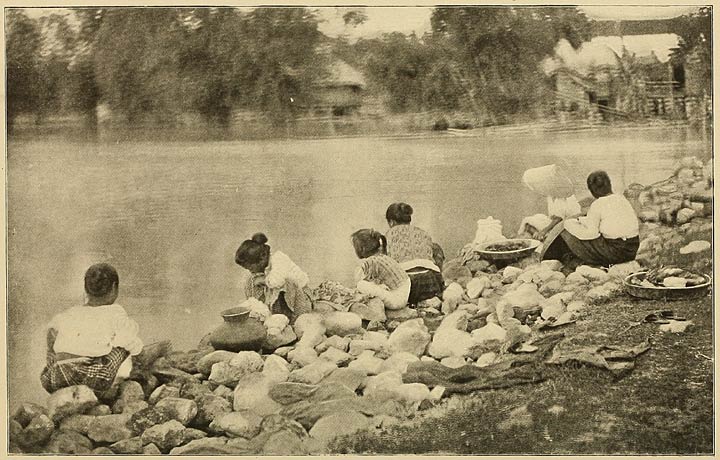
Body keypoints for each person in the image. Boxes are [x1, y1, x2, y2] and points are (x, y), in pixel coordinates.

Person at [40, 263, 144, 394]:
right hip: (92, 378)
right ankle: (104, 390)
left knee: (56, 336)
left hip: (53, 378)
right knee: (123, 345)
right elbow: (129, 341)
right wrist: (138, 351)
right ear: (114, 288)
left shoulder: (71, 312)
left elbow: (51, 330)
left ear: (86, 289)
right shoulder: (115, 312)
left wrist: (53, 353)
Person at [543, 171, 640, 267]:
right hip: (632, 249)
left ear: (592, 191)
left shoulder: (598, 204)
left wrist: (571, 224)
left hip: (616, 252)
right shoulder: (622, 199)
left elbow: (591, 233)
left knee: (566, 230)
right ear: (609, 185)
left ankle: (555, 258)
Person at [235, 233, 312, 323]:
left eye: (251, 268)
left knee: (286, 282)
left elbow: (277, 281)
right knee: (251, 280)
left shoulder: (279, 258)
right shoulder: (265, 266)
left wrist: (262, 280)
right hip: (284, 298)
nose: (251, 271)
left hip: (301, 299)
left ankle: (288, 318)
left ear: (263, 257)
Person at [384, 202, 445, 305]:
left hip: (408, 286)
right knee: (435, 247)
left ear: (391, 222)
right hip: (432, 281)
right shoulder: (423, 232)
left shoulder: (388, 236)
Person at [518, 164, 582, 241]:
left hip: (567, 226)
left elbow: (558, 219)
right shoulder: (551, 195)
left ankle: (541, 236)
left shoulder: (563, 195)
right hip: (557, 223)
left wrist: (544, 231)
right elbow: (554, 217)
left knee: (536, 225)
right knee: (529, 221)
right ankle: (537, 235)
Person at [351, 228, 411, 311]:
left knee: (361, 285)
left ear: (362, 249)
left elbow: (360, 280)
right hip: (403, 294)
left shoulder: (371, 261)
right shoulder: (382, 256)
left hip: (397, 300)